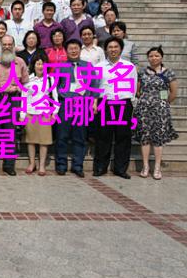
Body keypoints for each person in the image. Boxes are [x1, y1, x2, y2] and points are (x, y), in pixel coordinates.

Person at [93, 37, 138, 179]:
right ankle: (100, 167)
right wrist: (95, 102)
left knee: (123, 137)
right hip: (105, 103)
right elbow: (95, 87)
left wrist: (132, 104)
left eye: (116, 47)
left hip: (124, 103)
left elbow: (133, 85)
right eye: (110, 47)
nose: (113, 49)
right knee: (103, 136)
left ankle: (120, 169)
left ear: (121, 49)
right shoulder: (99, 66)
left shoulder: (129, 66)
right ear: (106, 49)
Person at [134, 46, 178, 180]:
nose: (154, 58)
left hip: (161, 110)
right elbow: (137, 91)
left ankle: (157, 167)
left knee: (158, 138)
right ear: (148, 58)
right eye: (151, 56)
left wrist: (163, 103)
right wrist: (146, 100)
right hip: (144, 109)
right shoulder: (142, 72)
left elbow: (173, 93)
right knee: (145, 138)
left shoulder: (169, 73)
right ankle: (145, 166)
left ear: (162, 57)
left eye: (157, 55)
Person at [0, 35, 29, 175]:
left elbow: (26, 83)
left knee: (10, 132)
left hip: (14, 99)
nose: (7, 47)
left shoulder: (20, 62)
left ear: (13, 46)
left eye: (9, 44)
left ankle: (9, 165)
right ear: (1, 46)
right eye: (4, 44)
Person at [55, 38, 93, 177]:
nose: (73, 51)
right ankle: (61, 165)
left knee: (80, 137)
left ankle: (78, 166)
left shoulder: (88, 66)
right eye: (70, 48)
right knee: (62, 136)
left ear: (80, 50)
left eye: (76, 48)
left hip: (82, 104)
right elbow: (55, 86)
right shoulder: (61, 67)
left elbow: (93, 85)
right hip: (66, 104)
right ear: (66, 51)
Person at [21, 55, 59, 176]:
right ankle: (32, 163)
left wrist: (55, 113)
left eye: (43, 64)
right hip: (30, 113)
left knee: (44, 141)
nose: (40, 66)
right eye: (38, 64)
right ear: (34, 65)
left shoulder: (50, 79)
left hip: (45, 113)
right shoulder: (28, 79)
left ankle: (42, 165)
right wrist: (22, 114)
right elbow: (24, 97)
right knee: (30, 140)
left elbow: (55, 98)